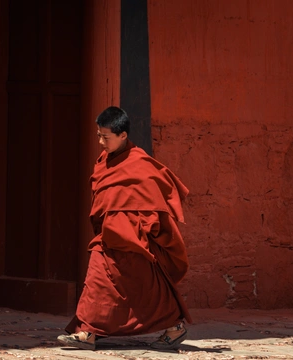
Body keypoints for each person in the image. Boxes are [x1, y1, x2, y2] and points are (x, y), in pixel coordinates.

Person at [57, 106, 191, 351]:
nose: (100, 142)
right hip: (108, 236)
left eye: (105, 137)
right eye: (99, 135)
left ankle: (175, 326)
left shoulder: (140, 164)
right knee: (96, 278)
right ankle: (87, 331)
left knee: (147, 286)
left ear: (122, 135)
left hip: (134, 239)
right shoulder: (104, 161)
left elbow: (155, 201)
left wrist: (145, 226)